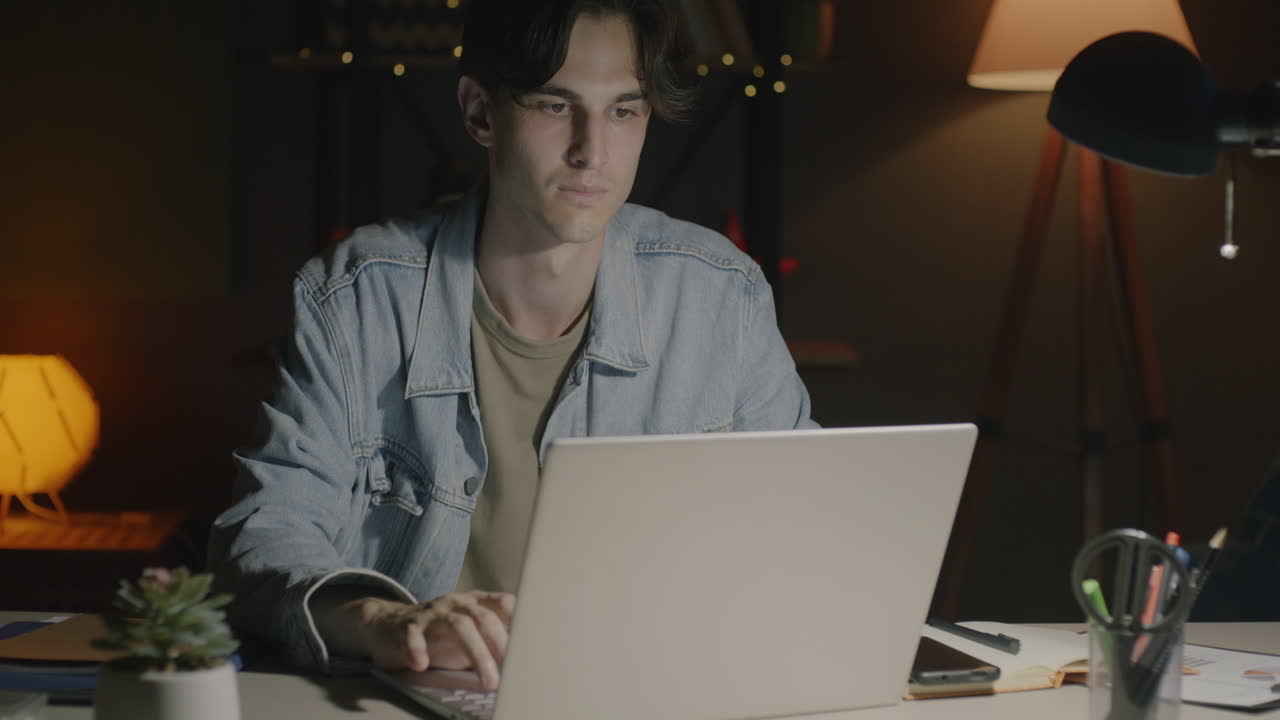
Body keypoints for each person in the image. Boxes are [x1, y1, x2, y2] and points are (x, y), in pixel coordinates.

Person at [207, 0, 815, 689]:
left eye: (623, 110)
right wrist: (387, 623)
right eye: (556, 106)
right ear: (480, 113)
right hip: (422, 698)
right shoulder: (356, 300)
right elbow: (259, 542)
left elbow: (805, 533)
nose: (593, 150)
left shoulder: (720, 296)